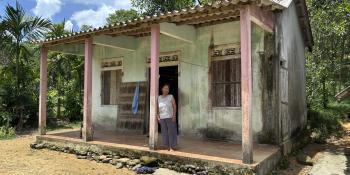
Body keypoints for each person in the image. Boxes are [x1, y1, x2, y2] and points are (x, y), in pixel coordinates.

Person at [157, 84, 177, 151]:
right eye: (165, 88)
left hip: (170, 117)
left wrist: (174, 116)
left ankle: (172, 146)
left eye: (167, 89)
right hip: (162, 118)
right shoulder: (159, 97)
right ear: (162, 89)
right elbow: (157, 108)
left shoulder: (171, 96)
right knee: (164, 132)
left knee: (171, 132)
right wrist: (158, 116)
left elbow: (174, 106)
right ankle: (166, 146)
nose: (166, 90)